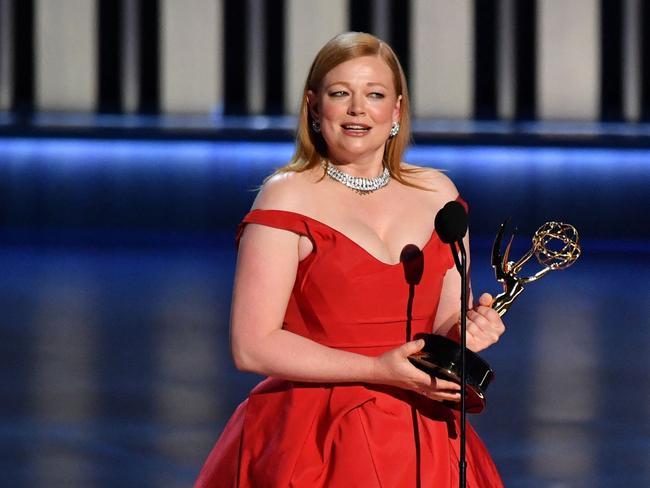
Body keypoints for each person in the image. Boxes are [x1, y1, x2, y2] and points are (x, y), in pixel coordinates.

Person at [195, 32, 505, 487]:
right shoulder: (287, 196)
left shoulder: (439, 194)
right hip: (318, 439)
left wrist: (469, 331)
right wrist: (377, 370)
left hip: (424, 436)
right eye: (341, 94)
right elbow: (252, 345)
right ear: (314, 107)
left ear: (396, 111)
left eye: (375, 95)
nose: (358, 109)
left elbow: (442, 322)